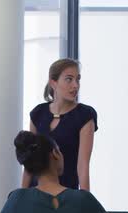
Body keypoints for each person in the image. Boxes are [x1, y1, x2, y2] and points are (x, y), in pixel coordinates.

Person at [22, 58, 97, 191]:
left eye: (77, 79)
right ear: (53, 82)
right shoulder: (38, 113)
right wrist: (21, 195)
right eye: (69, 79)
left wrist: (86, 201)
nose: (75, 85)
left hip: (66, 195)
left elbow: (83, 165)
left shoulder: (85, 115)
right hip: (36, 194)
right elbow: (30, 161)